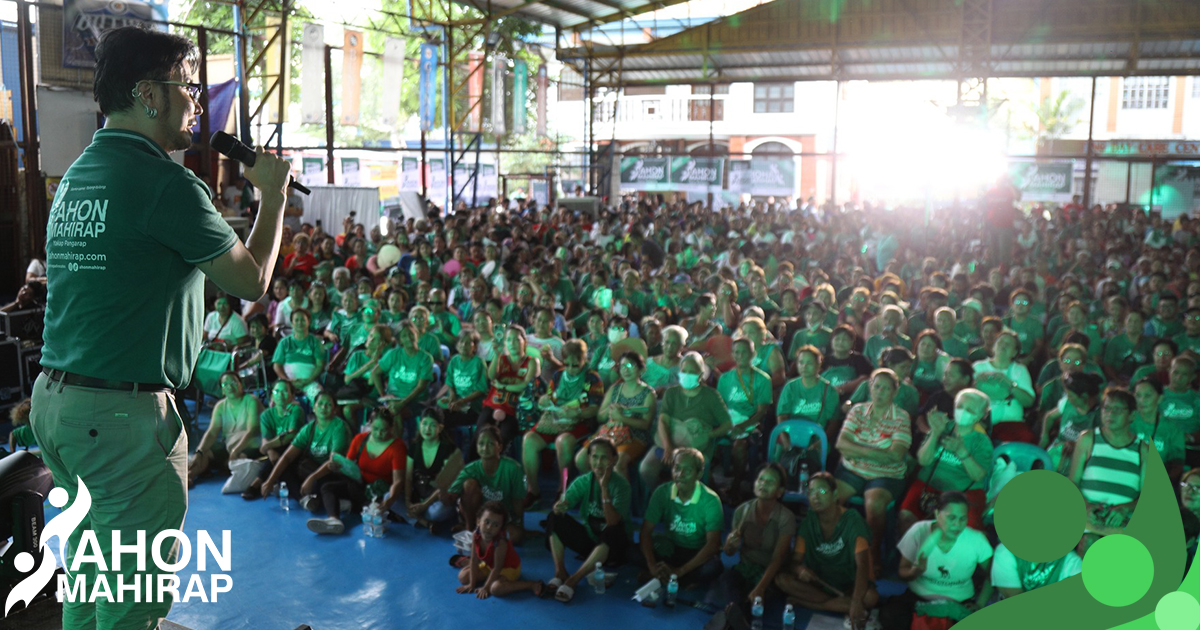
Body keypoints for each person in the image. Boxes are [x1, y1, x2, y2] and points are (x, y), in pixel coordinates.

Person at [29, 25, 293, 630]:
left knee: (92, 582)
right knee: (133, 607)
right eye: (188, 88)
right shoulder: (167, 184)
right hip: (122, 421)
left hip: (59, 406)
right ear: (150, 95)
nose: (197, 104)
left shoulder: (76, 177)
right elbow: (250, 282)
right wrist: (273, 198)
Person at [776, 472, 879, 630]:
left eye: (822, 492)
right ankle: (841, 604)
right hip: (820, 582)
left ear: (835, 494)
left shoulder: (852, 520)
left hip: (850, 584)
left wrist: (857, 601)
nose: (816, 497)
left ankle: (814, 604)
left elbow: (862, 565)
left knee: (870, 597)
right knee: (782, 580)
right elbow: (795, 562)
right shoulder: (808, 523)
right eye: (811, 492)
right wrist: (799, 569)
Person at [835, 368, 912, 575]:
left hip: (886, 474)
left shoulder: (901, 417)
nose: (880, 392)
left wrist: (857, 451)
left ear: (894, 393)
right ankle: (834, 549)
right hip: (852, 470)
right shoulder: (857, 410)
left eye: (886, 388)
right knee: (829, 498)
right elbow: (841, 444)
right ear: (870, 388)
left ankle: (872, 552)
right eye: (876, 386)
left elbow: (896, 455)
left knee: (874, 504)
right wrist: (878, 451)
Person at [884, 492, 994, 630]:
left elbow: (993, 575)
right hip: (918, 597)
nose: (957, 524)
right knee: (890, 616)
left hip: (958, 601)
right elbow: (903, 571)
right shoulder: (919, 530)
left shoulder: (976, 539)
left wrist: (980, 605)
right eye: (951, 518)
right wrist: (915, 571)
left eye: (962, 519)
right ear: (937, 514)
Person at [545, 438, 632, 602]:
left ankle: (573, 580)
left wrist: (604, 488)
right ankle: (560, 571)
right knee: (554, 518)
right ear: (589, 459)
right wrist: (560, 506)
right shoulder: (584, 481)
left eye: (604, 457)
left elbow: (612, 521)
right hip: (592, 543)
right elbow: (565, 502)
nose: (599, 462)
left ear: (614, 460)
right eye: (594, 457)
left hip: (614, 547)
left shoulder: (621, 486)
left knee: (612, 530)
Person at [899, 388, 993, 535]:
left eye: (970, 409)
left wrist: (962, 452)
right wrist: (935, 434)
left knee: (964, 530)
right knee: (906, 518)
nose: (963, 412)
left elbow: (978, 476)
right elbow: (923, 460)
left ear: (981, 415)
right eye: (960, 406)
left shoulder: (981, 441)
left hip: (963, 492)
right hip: (928, 486)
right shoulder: (942, 426)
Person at [710, 464, 796, 623]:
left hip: (771, 573)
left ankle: (733, 619)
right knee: (727, 578)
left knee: (756, 598)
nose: (763, 484)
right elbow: (729, 552)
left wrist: (761, 587)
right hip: (746, 568)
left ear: (780, 492)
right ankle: (738, 619)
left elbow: (778, 559)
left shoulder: (786, 518)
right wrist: (729, 545)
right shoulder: (742, 511)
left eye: (770, 482)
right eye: (761, 480)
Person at [638, 351, 733, 495]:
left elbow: (727, 424)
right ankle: (662, 496)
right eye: (684, 371)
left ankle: (684, 500)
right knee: (646, 468)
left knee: (685, 472)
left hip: (696, 447)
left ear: (701, 375)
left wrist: (709, 434)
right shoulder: (672, 393)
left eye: (692, 372)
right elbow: (663, 421)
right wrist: (668, 445)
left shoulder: (711, 396)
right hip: (668, 443)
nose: (687, 374)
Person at [522, 339, 603, 506]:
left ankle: (562, 489)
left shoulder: (592, 378)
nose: (572, 369)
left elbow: (595, 408)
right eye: (568, 365)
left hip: (579, 422)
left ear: (584, 359)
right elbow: (551, 397)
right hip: (555, 419)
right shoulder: (559, 375)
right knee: (529, 440)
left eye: (576, 365)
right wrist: (545, 400)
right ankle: (533, 490)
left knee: (563, 441)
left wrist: (578, 411)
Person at [303, 408, 406, 535]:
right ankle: (334, 519)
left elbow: (398, 481)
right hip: (358, 484)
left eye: (384, 430)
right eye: (375, 429)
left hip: (377, 493)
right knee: (327, 487)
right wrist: (328, 471)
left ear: (391, 428)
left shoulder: (397, 447)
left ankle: (351, 506)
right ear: (369, 425)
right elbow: (347, 466)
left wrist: (388, 501)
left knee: (372, 508)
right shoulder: (360, 439)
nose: (379, 433)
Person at [1068, 387, 1150, 534]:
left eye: (1118, 410)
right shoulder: (1088, 439)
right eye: (1106, 408)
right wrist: (1086, 507)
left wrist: (1125, 509)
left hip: (1122, 521)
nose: (1110, 414)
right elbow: (1073, 482)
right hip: (1086, 517)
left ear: (1132, 415)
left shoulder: (1143, 450)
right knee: (1088, 540)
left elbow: (1148, 497)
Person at [640, 448, 725, 587]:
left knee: (713, 568)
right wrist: (652, 566)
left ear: (699, 474)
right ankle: (672, 576)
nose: (680, 474)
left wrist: (680, 571)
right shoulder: (662, 492)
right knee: (633, 552)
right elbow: (645, 531)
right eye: (676, 468)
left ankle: (672, 576)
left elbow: (713, 545)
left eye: (688, 470)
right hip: (671, 548)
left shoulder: (711, 500)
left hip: (696, 551)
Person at [259, 390, 352, 502]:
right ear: (314, 407)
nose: (323, 407)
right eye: (320, 404)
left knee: (324, 485)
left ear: (335, 410)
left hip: (332, 473)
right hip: (311, 468)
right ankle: (304, 499)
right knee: (281, 463)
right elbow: (287, 457)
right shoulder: (309, 428)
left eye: (328, 405)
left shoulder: (339, 427)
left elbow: (334, 461)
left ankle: (312, 497)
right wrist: (270, 480)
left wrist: (312, 477)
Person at [577, 352, 656, 480]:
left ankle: (621, 496)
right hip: (609, 432)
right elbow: (600, 417)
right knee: (581, 459)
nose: (625, 370)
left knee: (618, 463)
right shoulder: (615, 389)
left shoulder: (648, 394)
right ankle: (596, 490)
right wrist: (611, 411)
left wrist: (622, 417)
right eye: (623, 366)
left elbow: (645, 424)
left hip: (634, 436)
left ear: (641, 369)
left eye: (630, 366)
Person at [444, 426, 528, 544]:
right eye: (481, 444)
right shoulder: (470, 469)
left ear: (500, 447)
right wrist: (444, 494)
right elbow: (452, 494)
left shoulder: (513, 469)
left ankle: (483, 537)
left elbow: (518, 502)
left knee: (516, 536)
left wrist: (520, 527)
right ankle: (470, 529)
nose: (485, 448)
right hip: (479, 517)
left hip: (501, 518)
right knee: (469, 485)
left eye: (490, 444)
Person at [717, 337, 774, 495]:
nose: (739, 356)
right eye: (736, 352)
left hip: (752, 423)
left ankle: (736, 485)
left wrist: (742, 426)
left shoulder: (763, 379)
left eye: (744, 352)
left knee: (740, 445)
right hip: (728, 420)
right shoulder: (725, 378)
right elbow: (720, 407)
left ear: (752, 354)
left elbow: (762, 411)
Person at [456, 501, 545, 599]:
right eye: (487, 522)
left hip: (508, 568)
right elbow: (473, 560)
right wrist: (471, 585)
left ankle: (530, 584)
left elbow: (497, 568)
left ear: (501, 529)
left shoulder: (500, 542)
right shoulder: (475, 535)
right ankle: (491, 579)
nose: (489, 528)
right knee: (463, 577)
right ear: (478, 521)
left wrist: (486, 587)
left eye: (495, 525)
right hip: (489, 566)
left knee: (495, 589)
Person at [188, 372, 262, 486]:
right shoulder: (220, 406)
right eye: (225, 385)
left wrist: (236, 450)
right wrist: (199, 451)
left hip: (249, 446)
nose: (230, 387)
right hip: (229, 446)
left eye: (233, 382)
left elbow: (252, 430)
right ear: (222, 390)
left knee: (240, 458)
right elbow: (212, 432)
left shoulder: (251, 400)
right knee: (205, 453)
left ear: (241, 384)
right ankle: (190, 475)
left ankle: (221, 467)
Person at [480, 326, 541, 452]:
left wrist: (502, 386)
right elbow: (491, 376)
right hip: (493, 404)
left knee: (503, 437)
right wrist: (496, 355)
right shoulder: (501, 360)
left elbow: (525, 385)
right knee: (479, 435)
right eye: (508, 340)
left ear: (524, 341)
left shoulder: (532, 362)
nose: (512, 344)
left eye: (516, 340)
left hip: (515, 409)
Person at [972, 330, 1035, 443]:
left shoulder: (1020, 370)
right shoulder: (978, 367)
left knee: (1027, 439)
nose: (1003, 345)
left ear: (1015, 352)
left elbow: (1029, 401)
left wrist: (1010, 385)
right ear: (994, 346)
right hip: (982, 421)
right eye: (1000, 342)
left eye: (1008, 344)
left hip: (1012, 423)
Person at [406, 409, 464, 530]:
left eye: (432, 425)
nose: (427, 429)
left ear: (440, 428)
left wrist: (424, 505)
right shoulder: (414, 447)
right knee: (388, 497)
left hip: (438, 498)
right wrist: (407, 502)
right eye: (424, 424)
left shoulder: (449, 449)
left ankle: (415, 517)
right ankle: (423, 521)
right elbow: (407, 478)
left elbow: (446, 486)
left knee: (436, 513)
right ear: (419, 424)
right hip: (418, 494)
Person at [1129, 377, 1187, 485]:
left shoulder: (1172, 428)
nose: (1141, 400)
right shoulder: (1127, 421)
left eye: (1148, 396)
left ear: (1160, 398)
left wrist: (1161, 482)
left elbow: (1177, 463)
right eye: (1138, 395)